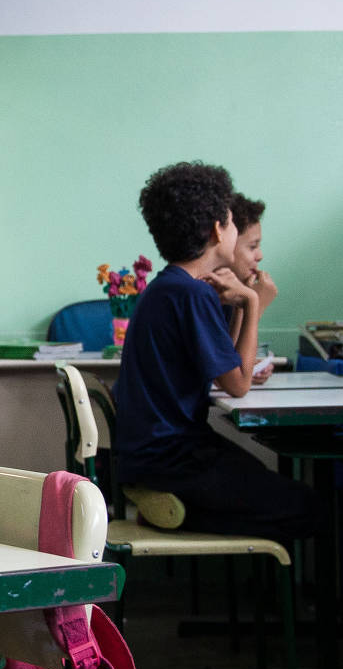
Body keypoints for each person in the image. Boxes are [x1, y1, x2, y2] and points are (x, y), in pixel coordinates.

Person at [110, 162, 316, 538]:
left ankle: (178, 512)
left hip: (153, 454)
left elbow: (226, 367)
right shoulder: (192, 293)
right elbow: (237, 384)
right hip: (173, 457)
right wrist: (253, 303)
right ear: (218, 229)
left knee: (271, 487)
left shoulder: (171, 286)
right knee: (306, 507)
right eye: (234, 223)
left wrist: (237, 304)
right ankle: (180, 516)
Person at [226, 193, 276, 381]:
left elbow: (231, 367)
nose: (260, 255)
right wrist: (256, 307)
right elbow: (235, 380)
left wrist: (248, 369)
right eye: (252, 246)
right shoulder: (204, 294)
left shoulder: (230, 292)